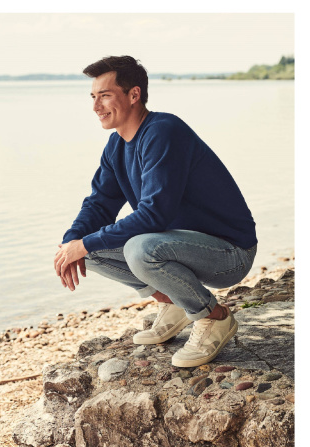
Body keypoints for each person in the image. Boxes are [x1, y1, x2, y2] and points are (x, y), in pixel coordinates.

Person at [53, 56, 257, 367]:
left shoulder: (164, 131)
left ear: (133, 95)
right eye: (93, 97)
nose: (96, 106)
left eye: (104, 95)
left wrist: (83, 244)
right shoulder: (116, 146)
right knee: (87, 249)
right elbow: (99, 203)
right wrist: (71, 243)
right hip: (180, 246)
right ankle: (172, 301)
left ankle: (214, 317)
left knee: (139, 248)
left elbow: (154, 214)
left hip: (229, 252)